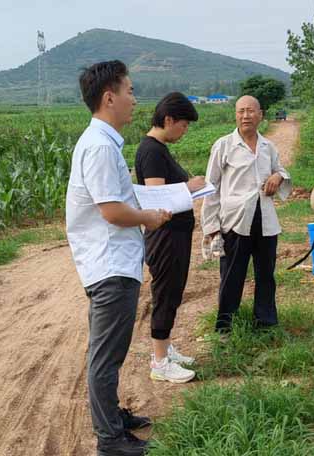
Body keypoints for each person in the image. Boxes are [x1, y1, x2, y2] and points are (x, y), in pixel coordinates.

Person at [66, 60, 171, 456]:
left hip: (114, 262)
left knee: (110, 352)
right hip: (110, 266)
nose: (133, 98)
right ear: (109, 97)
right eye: (129, 91)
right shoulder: (98, 147)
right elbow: (112, 211)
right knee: (105, 357)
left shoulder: (104, 143)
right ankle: (110, 440)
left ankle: (112, 419)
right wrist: (151, 217)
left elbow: (115, 201)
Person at [201, 95, 292, 332]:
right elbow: (211, 188)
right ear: (235, 115)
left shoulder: (267, 146)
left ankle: (266, 322)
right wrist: (211, 227)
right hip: (235, 220)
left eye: (251, 111)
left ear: (260, 115)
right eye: (241, 111)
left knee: (266, 273)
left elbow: (280, 169)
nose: (245, 116)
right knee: (232, 274)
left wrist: (277, 176)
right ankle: (224, 325)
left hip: (265, 218)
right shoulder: (223, 145)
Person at [135, 92, 205, 383]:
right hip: (165, 237)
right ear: (168, 120)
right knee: (165, 294)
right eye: (184, 125)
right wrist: (189, 187)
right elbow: (157, 199)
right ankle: (160, 362)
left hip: (175, 235)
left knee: (173, 292)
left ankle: (165, 348)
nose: (185, 131)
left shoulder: (159, 148)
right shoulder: (151, 151)